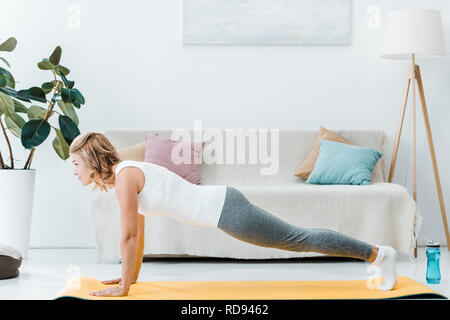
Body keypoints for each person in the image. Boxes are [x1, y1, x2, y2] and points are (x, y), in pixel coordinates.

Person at [69, 132, 398, 297]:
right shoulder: (124, 179)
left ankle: (378, 253)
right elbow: (137, 234)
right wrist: (130, 280)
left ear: (92, 160)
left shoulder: (126, 176)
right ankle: (377, 254)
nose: (74, 171)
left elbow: (128, 236)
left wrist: (124, 287)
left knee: (299, 239)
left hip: (227, 209)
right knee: (298, 238)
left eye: (76, 164)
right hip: (224, 206)